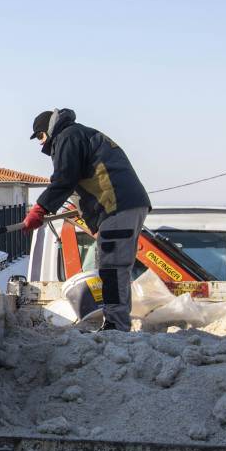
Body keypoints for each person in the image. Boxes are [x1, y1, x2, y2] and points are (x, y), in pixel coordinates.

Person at [22, 108, 151, 331]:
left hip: (118, 206)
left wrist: (40, 208)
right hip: (121, 206)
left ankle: (116, 325)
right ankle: (115, 321)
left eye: (41, 136)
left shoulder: (67, 136)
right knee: (110, 265)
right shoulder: (78, 135)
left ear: (49, 130)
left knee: (112, 266)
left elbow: (64, 178)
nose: (40, 143)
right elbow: (80, 181)